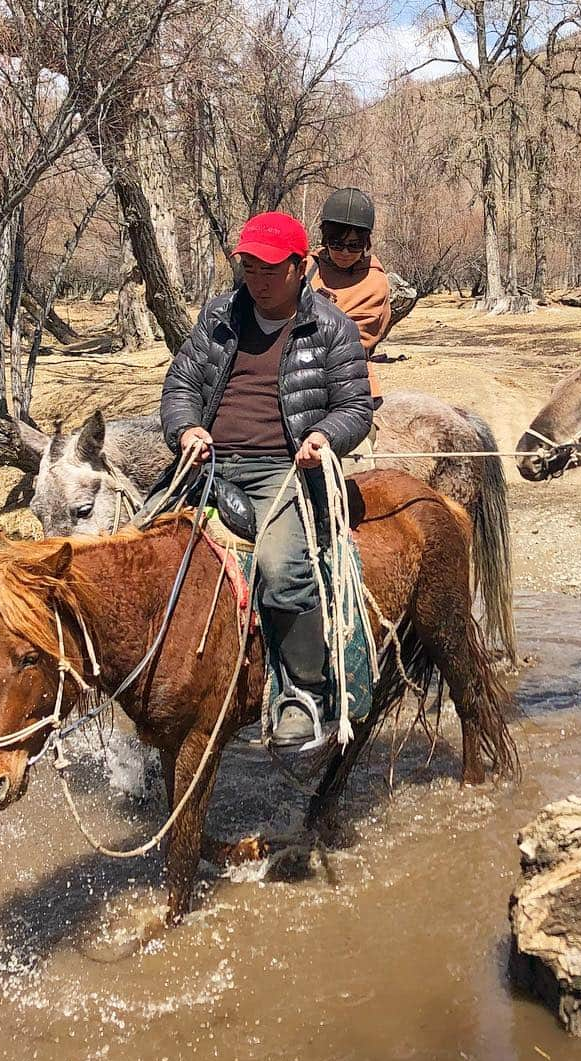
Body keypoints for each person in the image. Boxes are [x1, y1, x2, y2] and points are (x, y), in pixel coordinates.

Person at [160, 211, 373, 749]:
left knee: (280, 569)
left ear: (301, 267)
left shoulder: (330, 327)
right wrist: (185, 428)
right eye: (249, 264)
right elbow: (181, 384)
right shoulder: (219, 316)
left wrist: (324, 435)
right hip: (205, 464)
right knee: (138, 547)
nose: (256, 276)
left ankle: (304, 693)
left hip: (282, 470)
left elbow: (354, 407)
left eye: (270, 267)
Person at [308, 188, 392, 402]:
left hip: (351, 383)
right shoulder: (307, 267)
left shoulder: (375, 281)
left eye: (354, 246)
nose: (345, 253)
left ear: (366, 243)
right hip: (298, 379)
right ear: (325, 239)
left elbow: (355, 339)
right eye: (337, 243)